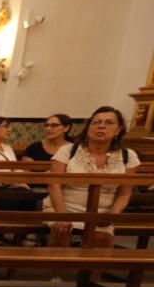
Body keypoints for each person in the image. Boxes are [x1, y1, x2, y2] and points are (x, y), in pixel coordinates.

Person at [42, 106, 138, 248]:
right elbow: (54, 185)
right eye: (96, 122)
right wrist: (62, 216)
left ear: (118, 130)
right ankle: (58, 269)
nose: (101, 126)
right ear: (88, 128)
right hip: (64, 209)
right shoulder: (68, 150)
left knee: (102, 238)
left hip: (101, 215)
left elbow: (124, 193)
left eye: (109, 123)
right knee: (62, 231)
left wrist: (111, 215)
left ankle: (91, 270)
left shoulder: (128, 155)